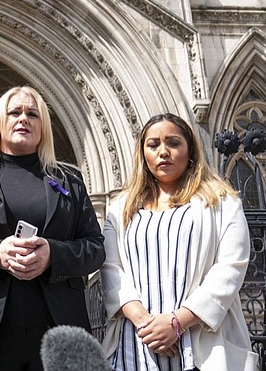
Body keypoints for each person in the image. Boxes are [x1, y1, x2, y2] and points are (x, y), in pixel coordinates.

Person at [0, 86, 105, 371]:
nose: (23, 119)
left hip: (61, 335)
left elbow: (95, 248)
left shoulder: (70, 180)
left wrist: (53, 255)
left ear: (44, 127)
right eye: (14, 112)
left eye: (32, 114)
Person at [100, 113, 258, 371]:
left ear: (190, 150)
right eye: (153, 145)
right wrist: (148, 326)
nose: (163, 152)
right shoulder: (120, 209)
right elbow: (111, 269)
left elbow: (230, 268)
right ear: (143, 154)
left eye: (173, 143)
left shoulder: (222, 202)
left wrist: (177, 323)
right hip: (136, 346)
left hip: (201, 346)